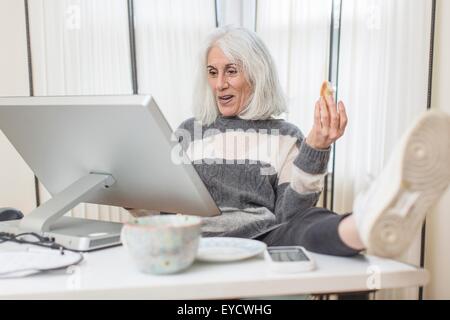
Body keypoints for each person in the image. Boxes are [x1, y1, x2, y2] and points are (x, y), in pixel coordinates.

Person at [175, 26, 450, 259]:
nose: (220, 83)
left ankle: (369, 221)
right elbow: (163, 203)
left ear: (256, 75)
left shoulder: (285, 136)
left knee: (308, 220)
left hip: (261, 241)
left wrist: (316, 147)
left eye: (231, 71)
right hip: (191, 240)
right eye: (213, 72)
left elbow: (289, 214)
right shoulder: (189, 131)